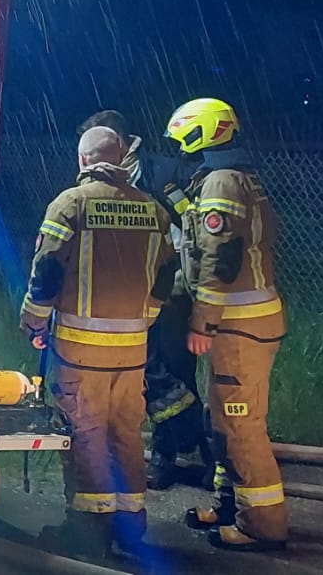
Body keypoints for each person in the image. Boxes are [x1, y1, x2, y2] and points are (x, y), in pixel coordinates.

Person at [19, 126, 180, 559]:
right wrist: (147, 316)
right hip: (132, 351)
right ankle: (130, 525)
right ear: (123, 158)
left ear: (83, 160)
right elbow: (168, 272)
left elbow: (47, 268)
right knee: (126, 433)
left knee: (86, 434)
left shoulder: (71, 204)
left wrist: (33, 321)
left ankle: (89, 532)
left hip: (80, 352)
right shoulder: (153, 209)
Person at [164, 98, 290, 552]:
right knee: (221, 420)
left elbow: (220, 260)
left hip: (238, 325)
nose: (179, 146)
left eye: (183, 136)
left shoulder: (221, 181)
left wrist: (202, 322)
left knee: (241, 427)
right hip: (241, 325)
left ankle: (263, 525)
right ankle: (229, 506)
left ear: (202, 133)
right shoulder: (230, 177)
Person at [77, 110, 212, 490]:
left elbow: (194, 229)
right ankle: (174, 450)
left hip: (171, 290)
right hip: (125, 299)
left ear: (122, 144)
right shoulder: (100, 183)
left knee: (176, 370)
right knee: (148, 376)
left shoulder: (165, 174)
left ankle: (190, 454)